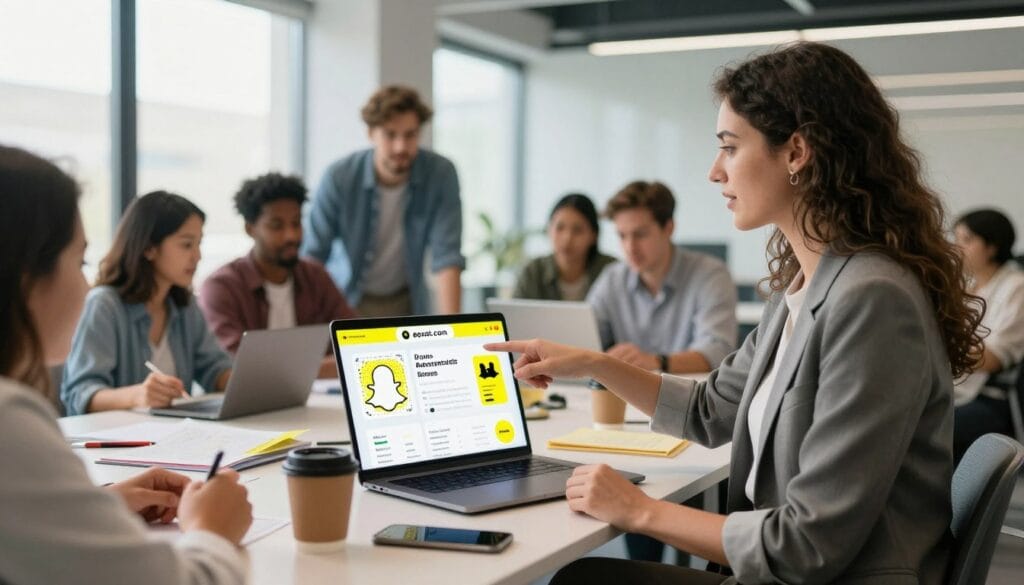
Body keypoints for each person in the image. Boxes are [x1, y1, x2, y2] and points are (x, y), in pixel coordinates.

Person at [487, 42, 983, 584]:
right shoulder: (803, 284)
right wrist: (593, 363)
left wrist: (639, 511)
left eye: (729, 147)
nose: (714, 172)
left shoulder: (872, 300)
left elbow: (810, 543)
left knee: (583, 580)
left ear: (796, 152)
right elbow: (708, 410)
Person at [0, 144, 252, 584]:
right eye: (79, 261)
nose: (85, 285)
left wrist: (102, 504)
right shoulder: (9, 422)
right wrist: (212, 530)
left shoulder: (183, 305)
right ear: (24, 274)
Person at [61, 191, 233, 415]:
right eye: (186, 245)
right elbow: (79, 393)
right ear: (149, 248)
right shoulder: (104, 305)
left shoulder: (185, 305)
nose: (197, 256)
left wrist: (246, 381)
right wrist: (138, 396)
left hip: (175, 431)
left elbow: (214, 368)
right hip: (118, 434)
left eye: (199, 244)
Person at [303, 84, 464, 317]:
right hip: (345, 301)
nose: (401, 147)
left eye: (410, 135)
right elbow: (313, 256)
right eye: (390, 135)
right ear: (371, 133)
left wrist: (455, 331)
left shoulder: (440, 174)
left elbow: (447, 256)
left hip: (406, 302)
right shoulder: (339, 177)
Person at [199, 173, 355, 378]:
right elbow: (238, 366)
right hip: (254, 397)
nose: (291, 235)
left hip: (317, 395)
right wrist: (318, 368)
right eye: (276, 226)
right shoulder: (222, 287)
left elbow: (354, 345)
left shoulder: (315, 277)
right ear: (250, 229)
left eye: (296, 223)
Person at [586, 180, 737, 375]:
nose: (630, 247)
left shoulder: (711, 275)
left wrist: (656, 362)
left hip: (689, 391)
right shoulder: (612, 278)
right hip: (625, 391)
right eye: (622, 236)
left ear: (668, 228)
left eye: (640, 234)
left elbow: (717, 352)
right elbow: (584, 339)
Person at [953, 208, 1024, 461]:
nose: (957, 247)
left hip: (991, 398)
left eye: (967, 240)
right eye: (956, 238)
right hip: (957, 389)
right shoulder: (965, 287)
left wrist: (940, 351)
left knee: (921, 427)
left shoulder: (1016, 287)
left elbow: (993, 359)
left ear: (992, 247)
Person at [513, 193, 617, 301]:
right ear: (549, 230)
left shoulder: (612, 272)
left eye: (577, 230)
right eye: (560, 227)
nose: (567, 238)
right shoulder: (532, 272)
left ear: (593, 236)